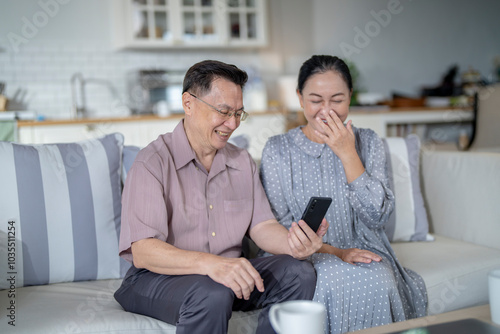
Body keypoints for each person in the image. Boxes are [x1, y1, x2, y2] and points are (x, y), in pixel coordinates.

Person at [114, 60, 328, 334]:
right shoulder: (152, 162)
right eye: (224, 112)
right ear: (188, 104)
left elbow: (261, 226)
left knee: (298, 272)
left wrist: (295, 243)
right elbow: (143, 251)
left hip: (226, 277)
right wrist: (213, 266)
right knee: (212, 291)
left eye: (239, 113)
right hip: (157, 278)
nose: (233, 124)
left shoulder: (241, 161)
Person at [259, 55, 428, 334]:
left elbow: (378, 216)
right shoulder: (277, 150)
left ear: (350, 97)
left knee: (382, 279)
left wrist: (348, 153)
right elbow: (278, 227)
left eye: (337, 100)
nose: (327, 111)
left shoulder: (369, 141)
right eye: (315, 100)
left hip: (364, 246)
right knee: (329, 278)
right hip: (303, 254)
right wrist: (335, 252)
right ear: (300, 98)